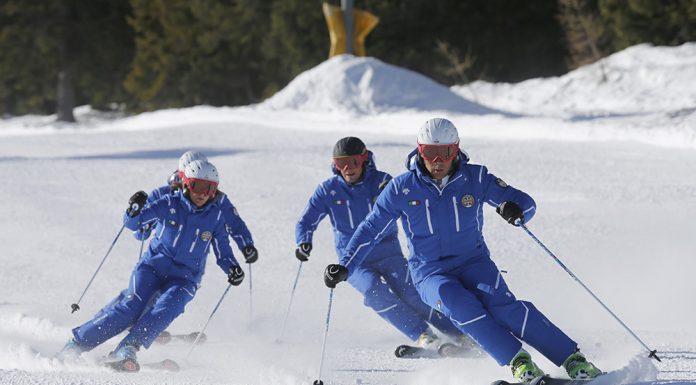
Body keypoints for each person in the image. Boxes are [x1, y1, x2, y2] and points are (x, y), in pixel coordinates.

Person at [322, 119, 603, 383]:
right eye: (430, 152)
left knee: (505, 308)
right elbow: (370, 229)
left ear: (456, 149)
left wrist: (516, 210)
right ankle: (519, 362)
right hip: (430, 272)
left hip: (474, 262)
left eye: (445, 151)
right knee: (457, 302)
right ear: (420, 151)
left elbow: (524, 202)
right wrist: (345, 264)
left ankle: (573, 359)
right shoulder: (401, 188)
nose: (438, 160)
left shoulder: (475, 177)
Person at [58, 160, 245, 371]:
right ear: (186, 184)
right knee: (130, 308)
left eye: (210, 189)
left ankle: (128, 347)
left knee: (168, 307)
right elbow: (134, 224)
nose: (203, 193)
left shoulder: (216, 217)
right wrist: (133, 210)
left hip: (185, 277)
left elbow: (223, 251)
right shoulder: (169, 204)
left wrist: (232, 268)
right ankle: (76, 345)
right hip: (152, 268)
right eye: (198, 186)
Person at [296, 136, 475, 351]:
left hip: (388, 253)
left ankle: (460, 334)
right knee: (373, 292)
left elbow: (413, 206)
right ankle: (422, 333)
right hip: (354, 261)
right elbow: (306, 221)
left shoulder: (382, 182)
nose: (347, 169)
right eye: (340, 164)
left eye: (352, 162)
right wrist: (303, 241)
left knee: (412, 293)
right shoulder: (328, 190)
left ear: (364, 160)